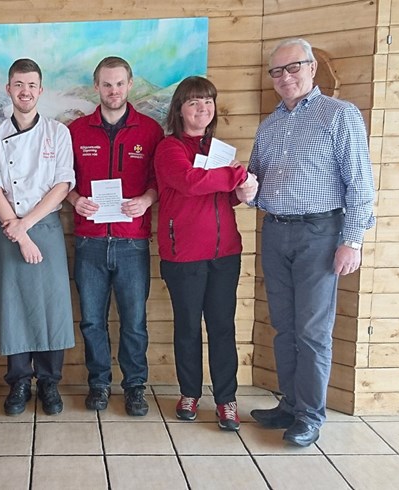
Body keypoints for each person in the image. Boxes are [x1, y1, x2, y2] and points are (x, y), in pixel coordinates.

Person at [248, 38, 375, 447]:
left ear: (312, 68)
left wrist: (352, 240)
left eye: (293, 68)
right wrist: (244, 189)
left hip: (321, 234)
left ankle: (309, 416)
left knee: (313, 331)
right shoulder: (268, 126)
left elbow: (360, 185)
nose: (285, 77)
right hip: (275, 230)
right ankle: (289, 404)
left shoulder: (339, 115)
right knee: (284, 326)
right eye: (277, 71)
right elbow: (255, 180)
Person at [154, 76, 259, 431]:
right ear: (180, 109)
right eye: (194, 102)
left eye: (208, 101)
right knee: (187, 327)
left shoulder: (220, 150)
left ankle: (226, 399)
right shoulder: (169, 149)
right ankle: (189, 394)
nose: (202, 108)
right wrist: (236, 174)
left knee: (222, 327)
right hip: (183, 256)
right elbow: (190, 181)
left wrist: (240, 189)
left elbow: (224, 196)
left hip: (225, 253)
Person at [66, 56, 163, 416]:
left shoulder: (150, 131)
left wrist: (146, 200)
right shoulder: (76, 131)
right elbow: (62, 180)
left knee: (134, 322)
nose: (113, 90)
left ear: (130, 84)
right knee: (92, 321)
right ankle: (99, 384)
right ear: (97, 87)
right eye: (106, 84)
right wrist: (75, 200)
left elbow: (159, 180)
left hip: (132, 243)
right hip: (89, 242)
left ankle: (135, 387)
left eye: (120, 83)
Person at [0, 58, 75, 416]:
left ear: (40, 89)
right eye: (18, 84)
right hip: (8, 227)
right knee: (14, 305)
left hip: (46, 227)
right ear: (8, 89)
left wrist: (27, 225)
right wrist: (18, 233)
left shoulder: (57, 132)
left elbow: (63, 184)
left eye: (31, 85)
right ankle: (19, 380)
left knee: (52, 306)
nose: (25, 91)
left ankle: (49, 381)